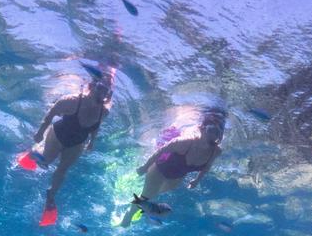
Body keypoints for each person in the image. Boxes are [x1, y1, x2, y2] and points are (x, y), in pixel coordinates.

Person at [21, 77, 112, 226]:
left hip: (77, 143)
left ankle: (51, 196)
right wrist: (40, 132)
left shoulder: (104, 111)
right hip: (58, 134)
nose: (102, 93)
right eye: (100, 88)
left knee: (63, 169)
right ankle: (33, 152)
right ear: (91, 87)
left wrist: (92, 142)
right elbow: (51, 113)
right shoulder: (72, 101)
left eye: (106, 91)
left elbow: (96, 126)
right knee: (46, 161)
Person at [119, 109, 225, 227]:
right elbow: (161, 151)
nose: (213, 136)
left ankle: (142, 205)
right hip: (160, 169)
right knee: (146, 196)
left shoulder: (216, 151)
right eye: (211, 130)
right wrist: (145, 167)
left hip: (177, 176)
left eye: (218, 132)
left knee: (153, 195)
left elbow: (207, 167)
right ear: (202, 128)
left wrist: (196, 180)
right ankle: (128, 215)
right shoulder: (185, 141)